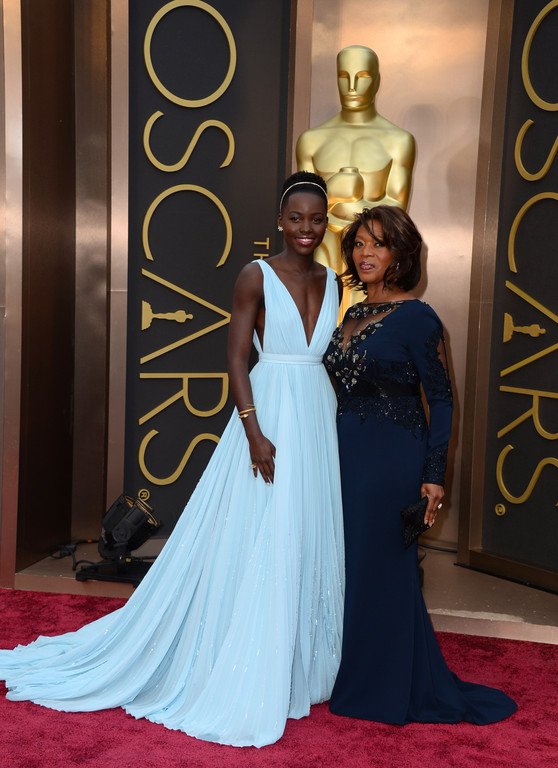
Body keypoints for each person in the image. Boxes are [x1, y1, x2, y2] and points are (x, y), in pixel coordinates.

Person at [0, 172, 345, 748]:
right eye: (295, 218)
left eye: (315, 219)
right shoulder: (255, 275)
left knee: (305, 529)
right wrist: (253, 430)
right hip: (269, 415)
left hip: (316, 414)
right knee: (262, 529)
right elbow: (236, 358)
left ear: (325, 221)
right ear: (279, 221)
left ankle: (297, 663)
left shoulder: (334, 280)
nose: (305, 229)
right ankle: (244, 652)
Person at [324, 205, 517, 725]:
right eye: (358, 243)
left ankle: (382, 687)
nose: (365, 253)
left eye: (378, 243)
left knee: (381, 567)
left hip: (392, 459)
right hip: (344, 454)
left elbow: (443, 399)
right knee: (353, 565)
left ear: (401, 254)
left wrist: (434, 475)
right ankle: (361, 671)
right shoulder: (351, 313)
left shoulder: (419, 318)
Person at [296, 45, 416, 304]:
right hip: (322, 250)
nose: (351, 87)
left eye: (362, 77)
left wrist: (344, 205)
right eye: (343, 77)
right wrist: (335, 188)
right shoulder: (311, 140)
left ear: (377, 81)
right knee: (319, 319)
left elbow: (396, 209)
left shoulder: (398, 141)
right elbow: (302, 207)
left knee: (365, 320)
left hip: (371, 258)